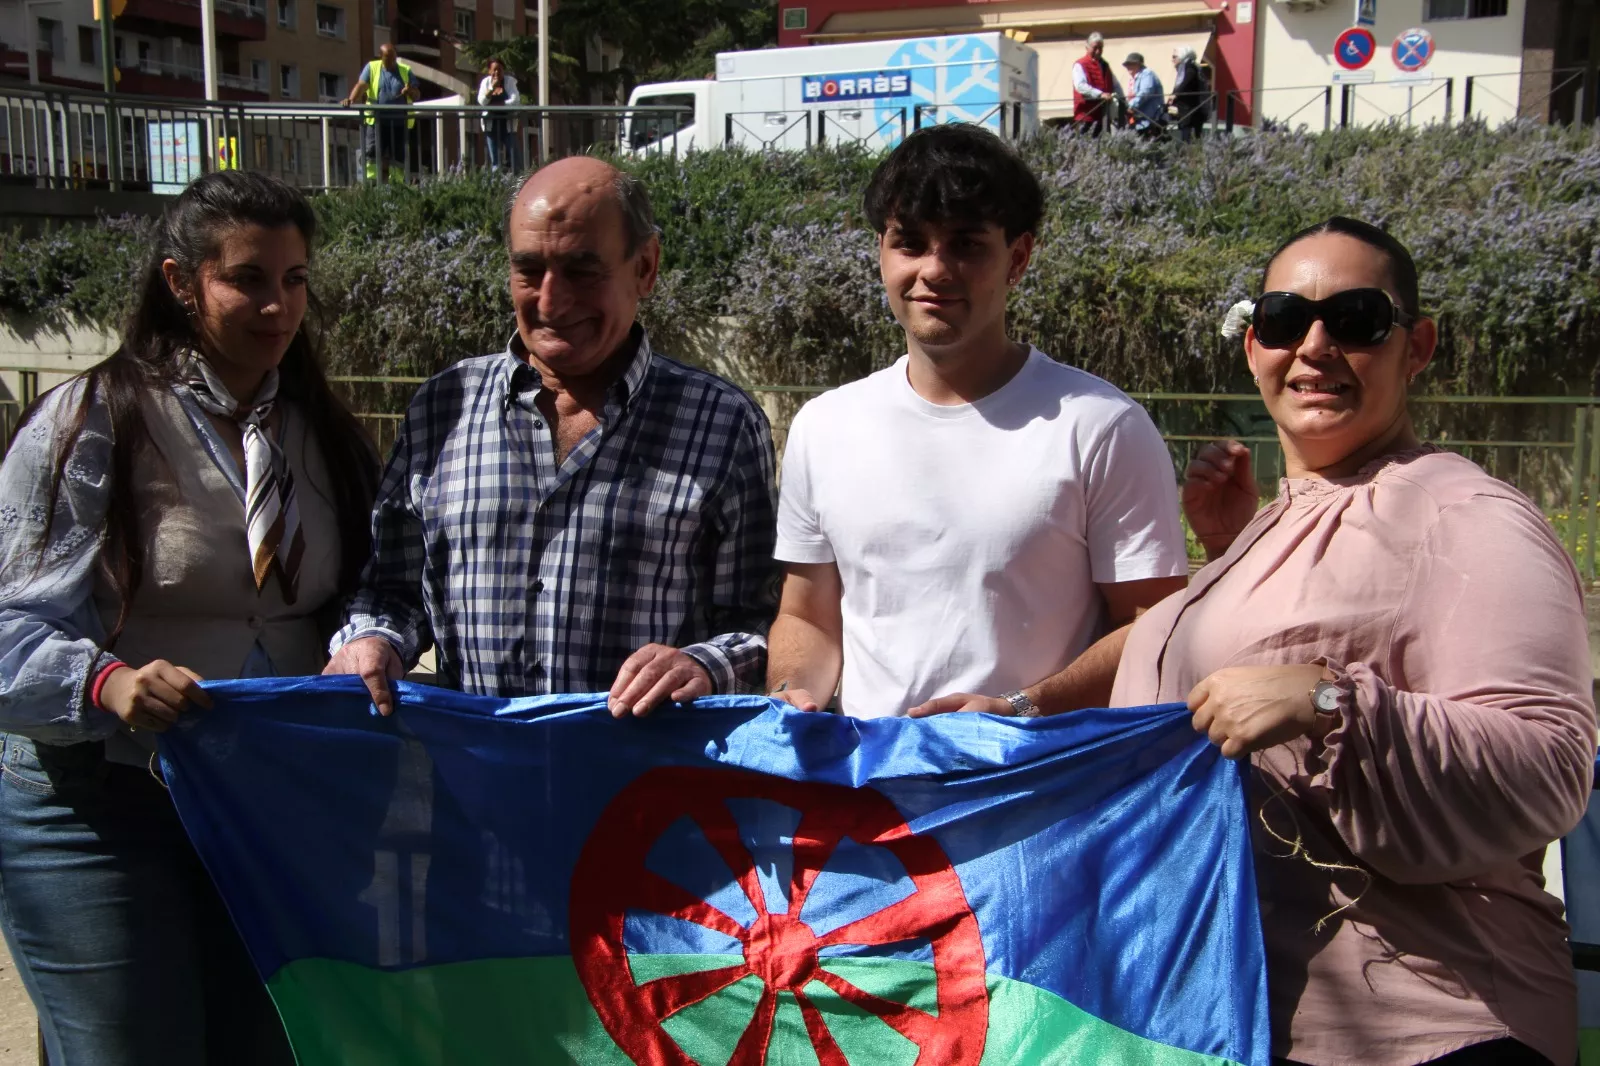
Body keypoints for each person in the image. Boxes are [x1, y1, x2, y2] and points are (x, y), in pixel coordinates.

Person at [1112, 216, 1595, 1066]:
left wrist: (1329, 702)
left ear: (1418, 347)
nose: (1316, 345)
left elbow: (1550, 766)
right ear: (1253, 343)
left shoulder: (1464, 515)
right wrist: (1018, 709)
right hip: (1234, 1016)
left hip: (1430, 1029)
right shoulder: (1282, 518)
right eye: (1284, 319)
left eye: (1359, 319)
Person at [0, 171, 379, 1065]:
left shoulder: (324, 431)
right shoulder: (92, 420)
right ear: (181, 283)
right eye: (247, 278)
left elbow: (371, 585)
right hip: (99, 803)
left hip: (269, 803)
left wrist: (365, 639)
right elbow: (9, 623)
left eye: (293, 279)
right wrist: (109, 681)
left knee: (269, 1046)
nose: (277, 305)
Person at [325, 156, 779, 717]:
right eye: (529, 268)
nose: (551, 300)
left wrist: (705, 664)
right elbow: (390, 590)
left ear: (645, 267)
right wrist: (372, 641)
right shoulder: (443, 407)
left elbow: (763, 621)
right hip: (472, 781)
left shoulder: (722, 423)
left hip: (645, 792)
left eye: (582, 270)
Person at [765, 124, 1187, 720]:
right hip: (873, 799)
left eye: (965, 245)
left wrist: (1021, 707)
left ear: (1017, 258)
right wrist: (791, 694)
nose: (934, 271)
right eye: (909, 243)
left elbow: (1155, 624)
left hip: (1036, 791)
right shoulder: (823, 426)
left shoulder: (1102, 426)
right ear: (881, 252)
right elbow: (807, 614)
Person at [342, 42, 419, 182]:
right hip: (376, 121)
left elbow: (417, 95)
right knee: (371, 154)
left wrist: (410, 91)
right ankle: (371, 184)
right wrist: (350, 99)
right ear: (380, 57)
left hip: (399, 123)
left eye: (394, 58)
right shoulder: (372, 68)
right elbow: (361, 85)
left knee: (398, 156)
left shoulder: (405, 70)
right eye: (388, 59)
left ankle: (397, 186)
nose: (392, 63)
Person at [1071, 32, 1124, 135]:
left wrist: (1123, 102)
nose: (1098, 51)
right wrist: (1100, 94)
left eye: (1101, 48)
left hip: (1103, 116)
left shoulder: (1105, 65)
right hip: (1086, 115)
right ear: (1087, 47)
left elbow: (1115, 85)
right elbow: (1080, 86)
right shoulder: (1080, 64)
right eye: (1095, 48)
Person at [477, 57, 521, 173]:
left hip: (507, 124)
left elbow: (515, 100)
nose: (497, 72)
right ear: (489, 71)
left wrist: (499, 104)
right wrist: (492, 88)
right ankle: (497, 184)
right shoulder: (485, 83)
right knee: (495, 160)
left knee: (514, 157)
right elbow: (482, 101)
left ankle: (517, 181)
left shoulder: (510, 82)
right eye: (494, 70)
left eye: (500, 69)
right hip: (491, 125)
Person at [1171, 47, 1210, 141]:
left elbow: (1186, 81)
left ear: (1182, 55)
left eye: (1174, 56)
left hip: (1191, 109)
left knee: (1188, 135)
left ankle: (1189, 153)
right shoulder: (1187, 66)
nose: (1172, 60)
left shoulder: (1189, 66)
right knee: (1190, 134)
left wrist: (1175, 94)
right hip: (1189, 109)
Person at [1122, 52, 1166, 136]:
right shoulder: (1134, 78)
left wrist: (1130, 106)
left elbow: (1145, 92)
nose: (1128, 67)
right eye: (1127, 65)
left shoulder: (1147, 74)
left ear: (1139, 64)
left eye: (1131, 64)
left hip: (1151, 119)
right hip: (1140, 121)